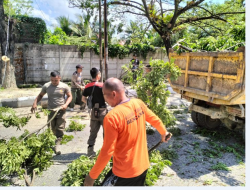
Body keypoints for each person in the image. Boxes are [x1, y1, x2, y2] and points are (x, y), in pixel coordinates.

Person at [84, 78, 172, 186]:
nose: (104, 99)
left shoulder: (112, 117)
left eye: (104, 95)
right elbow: (154, 119)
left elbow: (107, 151)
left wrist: (91, 177)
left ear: (113, 94)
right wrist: (164, 133)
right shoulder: (138, 103)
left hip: (125, 172)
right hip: (143, 166)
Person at [31, 71, 72, 155]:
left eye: (56, 80)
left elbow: (69, 96)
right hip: (50, 110)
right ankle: (53, 141)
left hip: (61, 110)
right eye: (52, 80)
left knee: (60, 128)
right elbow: (40, 95)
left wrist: (66, 104)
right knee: (51, 127)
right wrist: (35, 103)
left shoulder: (64, 86)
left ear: (59, 78)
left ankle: (57, 145)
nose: (54, 82)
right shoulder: (47, 86)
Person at [82, 67, 107, 157]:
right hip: (103, 111)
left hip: (94, 112)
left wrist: (91, 104)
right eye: (99, 74)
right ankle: (105, 152)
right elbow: (106, 98)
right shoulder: (102, 85)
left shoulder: (87, 86)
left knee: (93, 131)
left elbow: (83, 98)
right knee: (106, 132)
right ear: (97, 75)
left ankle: (90, 151)